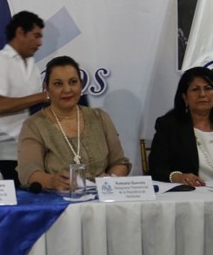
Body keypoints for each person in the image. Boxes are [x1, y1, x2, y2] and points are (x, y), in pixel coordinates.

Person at [17, 56, 130, 191]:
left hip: (103, 199)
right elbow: (28, 172)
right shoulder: (34, 125)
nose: (67, 89)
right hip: (59, 204)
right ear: (46, 88)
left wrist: (111, 179)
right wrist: (52, 181)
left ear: (81, 85)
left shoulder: (100, 117)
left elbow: (120, 163)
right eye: (58, 84)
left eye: (73, 82)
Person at [0, 10, 47, 184]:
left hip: (32, 152)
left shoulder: (34, 67)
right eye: (36, 36)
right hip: (4, 153)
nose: (40, 43)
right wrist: (42, 97)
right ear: (20, 33)